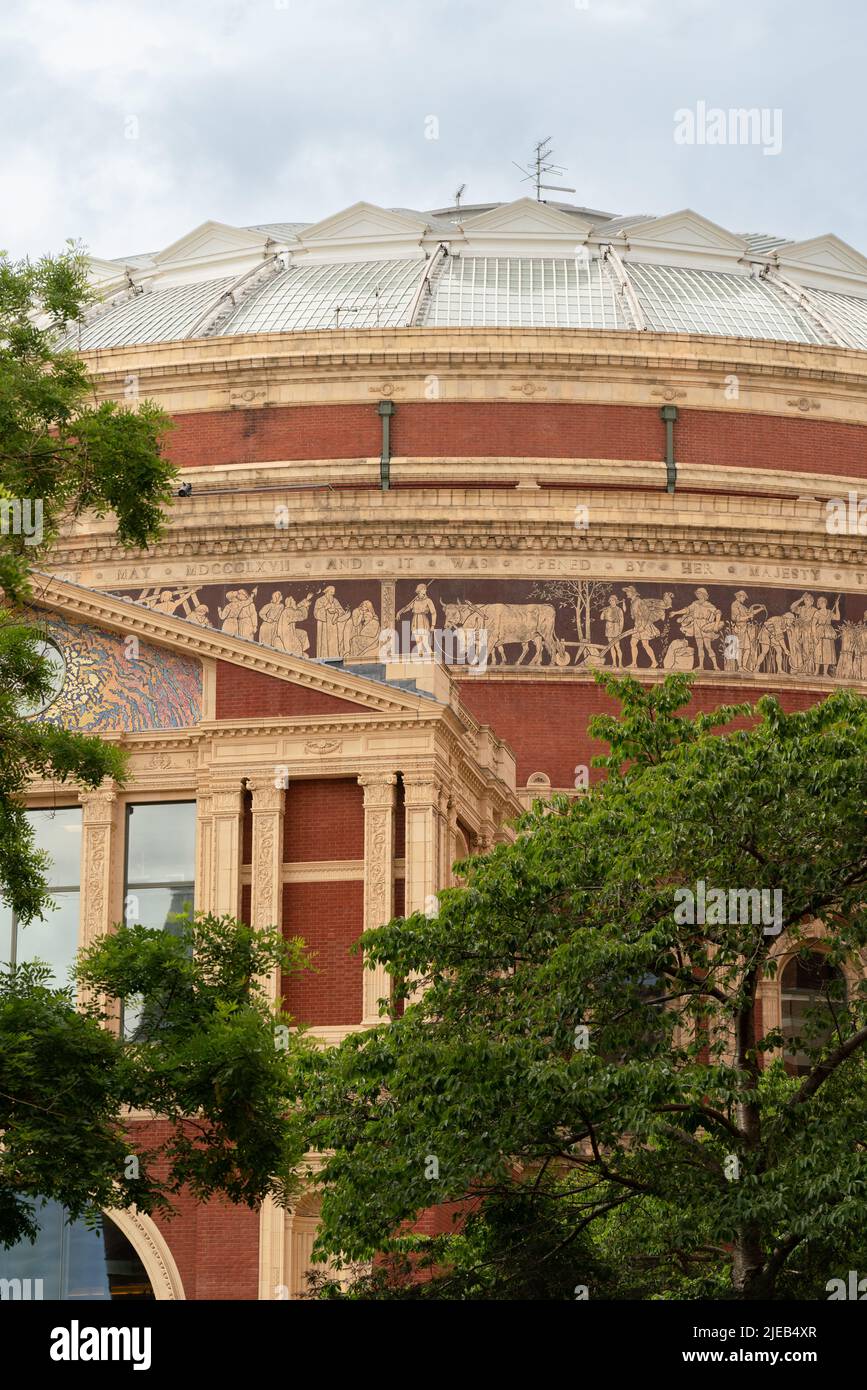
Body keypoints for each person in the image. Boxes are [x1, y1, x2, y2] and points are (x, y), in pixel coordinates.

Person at [670, 587, 723, 671]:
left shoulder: (709, 605)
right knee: (699, 647)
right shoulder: (695, 604)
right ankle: (701, 666)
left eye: (699, 593)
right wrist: (675, 613)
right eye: (697, 593)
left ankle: (715, 666)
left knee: (708, 646)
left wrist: (716, 625)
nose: (698, 595)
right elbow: (687, 610)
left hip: (705, 625)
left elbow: (718, 613)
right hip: (696, 625)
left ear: (704, 595)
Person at [622, 587, 673, 669]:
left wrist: (643, 626)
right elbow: (633, 616)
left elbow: (646, 614)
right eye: (626, 592)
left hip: (644, 625)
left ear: (633, 593)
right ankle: (634, 663)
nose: (626, 593)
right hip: (638, 625)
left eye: (628, 592)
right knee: (633, 643)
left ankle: (654, 662)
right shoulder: (633, 602)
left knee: (645, 644)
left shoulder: (639, 601)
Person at [396, 583, 438, 656]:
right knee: (418, 641)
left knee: (425, 641)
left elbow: (433, 613)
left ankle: (431, 654)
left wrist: (433, 625)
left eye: (425, 589)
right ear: (419, 590)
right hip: (415, 621)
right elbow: (407, 608)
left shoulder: (428, 600)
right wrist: (399, 612)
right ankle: (420, 654)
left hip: (423, 621)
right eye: (423, 589)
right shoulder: (415, 601)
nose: (425, 590)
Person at [728, 591, 764, 671]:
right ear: (739, 596)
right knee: (740, 648)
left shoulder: (743, 607)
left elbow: (751, 612)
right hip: (739, 628)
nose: (744, 599)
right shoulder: (734, 605)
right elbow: (737, 618)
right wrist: (748, 617)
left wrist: (760, 609)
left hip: (745, 628)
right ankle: (740, 667)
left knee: (747, 648)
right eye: (743, 597)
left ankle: (744, 666)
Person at [314, 586, 350, 658]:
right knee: (324, 642)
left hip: (333, 624)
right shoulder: (320, 600)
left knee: (333, 641)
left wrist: (336, 610)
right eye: (331, 592)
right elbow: (316, 613)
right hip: (323, 624)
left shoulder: (335, 600)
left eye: (333, 593)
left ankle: (334, 657)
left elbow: (341, 611)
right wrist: (325, 608)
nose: (332, 594)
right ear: (326, 591)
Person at [811, 595, 840, 676]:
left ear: (826, 603)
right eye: (820, 603)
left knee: (828, 652)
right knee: (818, 652)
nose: (822, 604)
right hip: (819, 633)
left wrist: (837, 606)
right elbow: (813, 625)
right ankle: (816, 671)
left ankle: (825, 672)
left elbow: (837, 618)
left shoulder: (830, 612)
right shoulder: (817, 613)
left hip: (828, 633)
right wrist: (814, 636)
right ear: (818, 604)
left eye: (823, 602)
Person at [599, 593, 624, 667]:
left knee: (617, 646)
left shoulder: (619, 609)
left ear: (616, 601)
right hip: (609, 628)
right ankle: (614, 663)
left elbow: (622, 620)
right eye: (610, 601)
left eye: (613, 600)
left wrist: (620, 630)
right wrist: (603, 611)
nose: (611, 602)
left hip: (616, 628)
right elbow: (601, 618)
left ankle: (620, 663)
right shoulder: (607, 609)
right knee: (611, 647)